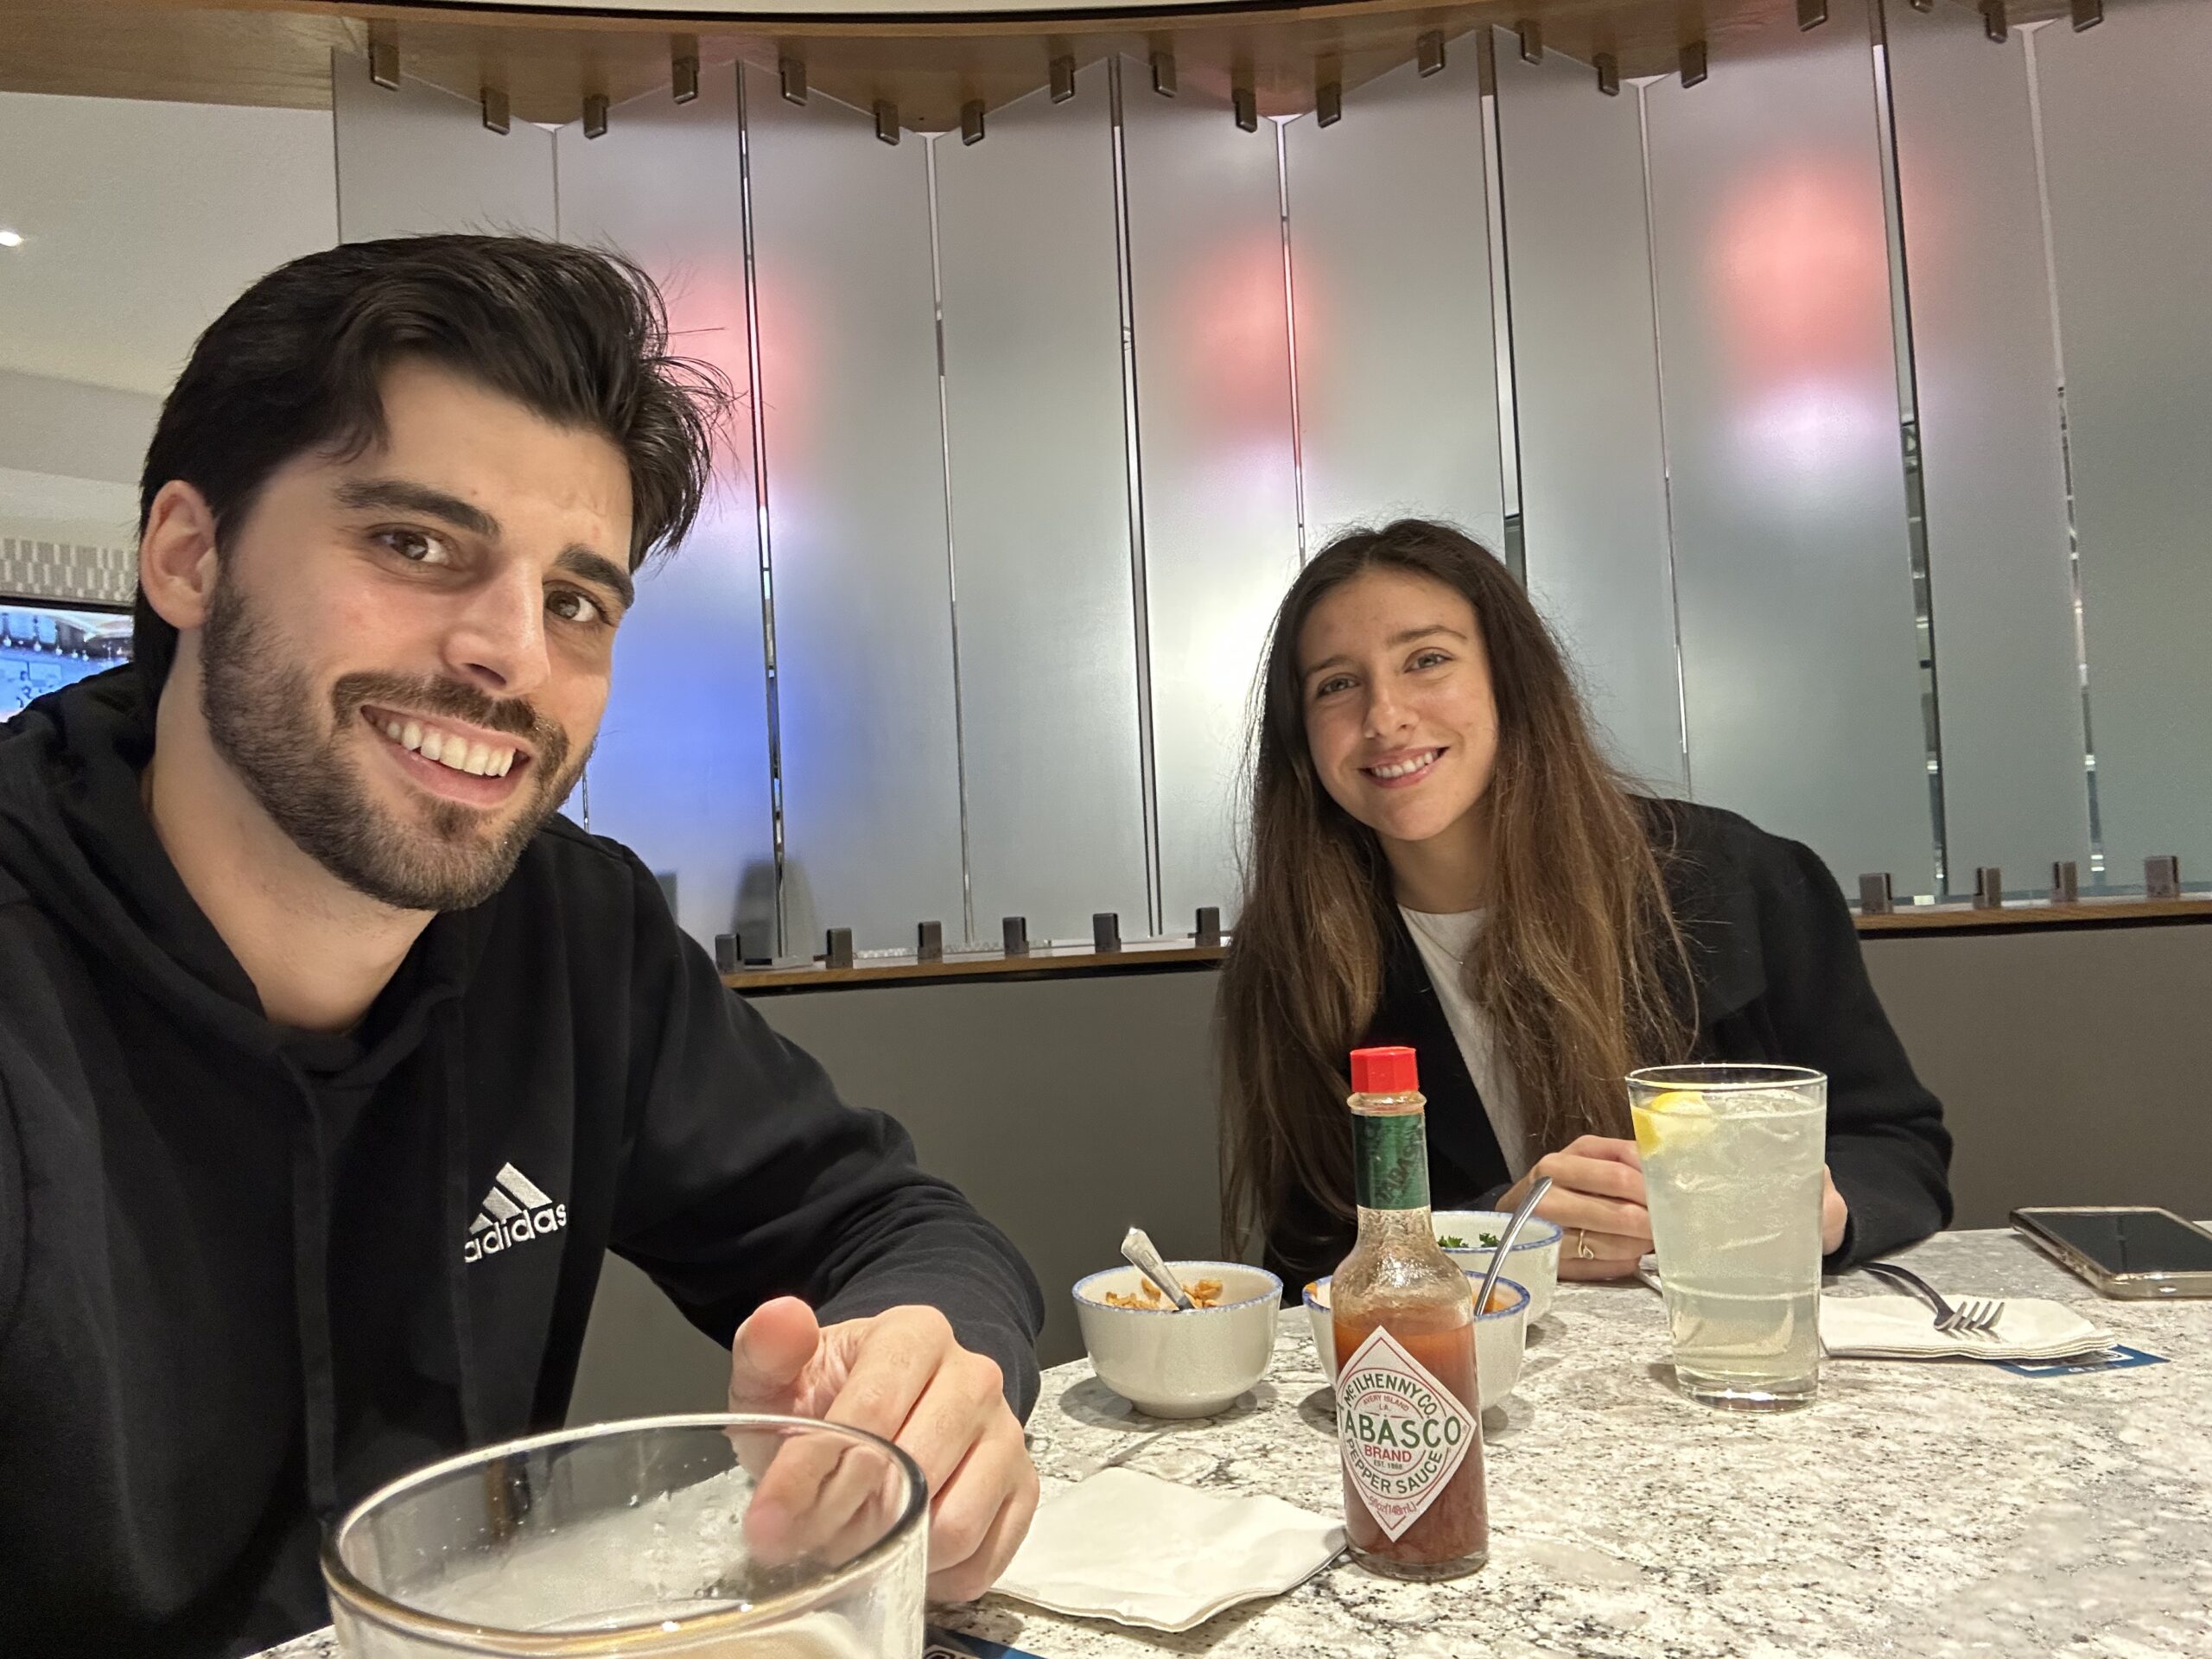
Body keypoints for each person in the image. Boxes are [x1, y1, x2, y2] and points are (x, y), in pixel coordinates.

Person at [0, 236, 1044, 1659]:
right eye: (414, 544)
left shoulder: (575, 932)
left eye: (576, 600)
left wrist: (928, 1369)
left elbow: (897, 1227)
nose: (514, 654)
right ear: (188, 555)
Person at [1218, 518, 1953, 1294]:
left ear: (1511, 679)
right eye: (1336, 684)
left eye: (1427, 660)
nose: (1385, 717)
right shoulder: (1298, 957)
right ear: (1301, 735)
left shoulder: (1734, 879)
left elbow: (1895, 1149)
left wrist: (1816, 1211)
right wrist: (1489, 1238)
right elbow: (1308, 1263)